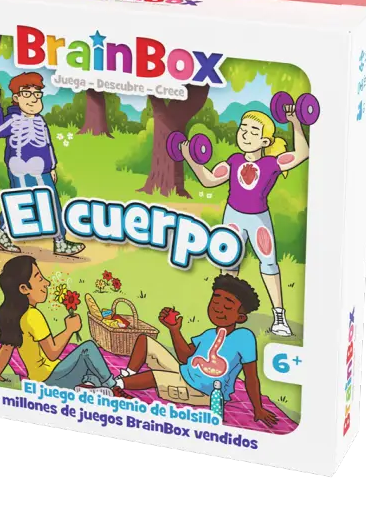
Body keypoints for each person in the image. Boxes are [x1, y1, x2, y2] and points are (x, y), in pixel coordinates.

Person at [181, 104, 309, 337]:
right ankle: (223, 316)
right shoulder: (233, 161)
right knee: (229, 263)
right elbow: (208, 180)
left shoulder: (271, 164)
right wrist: (191, 157)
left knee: (269, 264)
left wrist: (295, 122)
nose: (245, 134)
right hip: (233, 217)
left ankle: (279, 317)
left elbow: (302, 154)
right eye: (243, 128)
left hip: (258, 219)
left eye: (253, 131)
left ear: (265, 141)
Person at [115, 274, 278, 427]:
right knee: (144, 340)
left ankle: (114, 385)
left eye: (227, 306)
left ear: (240, 318)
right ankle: (126, 375)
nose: (218, 308)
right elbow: (185, 357)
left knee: (154, 376)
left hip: (204, 393)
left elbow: (251, 377)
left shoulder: (244, 337)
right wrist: (174, 329)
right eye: (215, 301)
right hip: (184, 373)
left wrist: (258, 408)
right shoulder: (209, 334)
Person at [0, 256, 131, 398]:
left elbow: (6, 348)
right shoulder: (33, 316)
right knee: (88, 349)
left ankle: (88, 388)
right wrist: (69, 330)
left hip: (42, 378)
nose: (46, 283)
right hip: (50, 379)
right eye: (39, 278)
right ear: (24, 288)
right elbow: (52, 353)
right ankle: (113, 387)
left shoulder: (18, 316)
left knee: (91, 373)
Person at [0, 72, 85, 256]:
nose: (33, 99)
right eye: (27, 93)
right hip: (19, 167)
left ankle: (60, 242)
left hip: (42, 168)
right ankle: (3, 232)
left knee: (51, 201)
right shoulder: (13, 119)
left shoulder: (40, 121)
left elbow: (48, 144)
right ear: (16, 98)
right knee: (21, 200)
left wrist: (52, 166)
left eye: (37, 94)